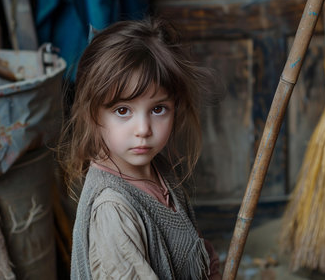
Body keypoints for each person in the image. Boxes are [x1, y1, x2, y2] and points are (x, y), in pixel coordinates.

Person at [58, 18, 221, 279]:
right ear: (93, 113)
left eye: (158, 109)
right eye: (123, 111)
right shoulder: (113, 211)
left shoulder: (156, 167)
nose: (143, 129)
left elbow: (190, 247)